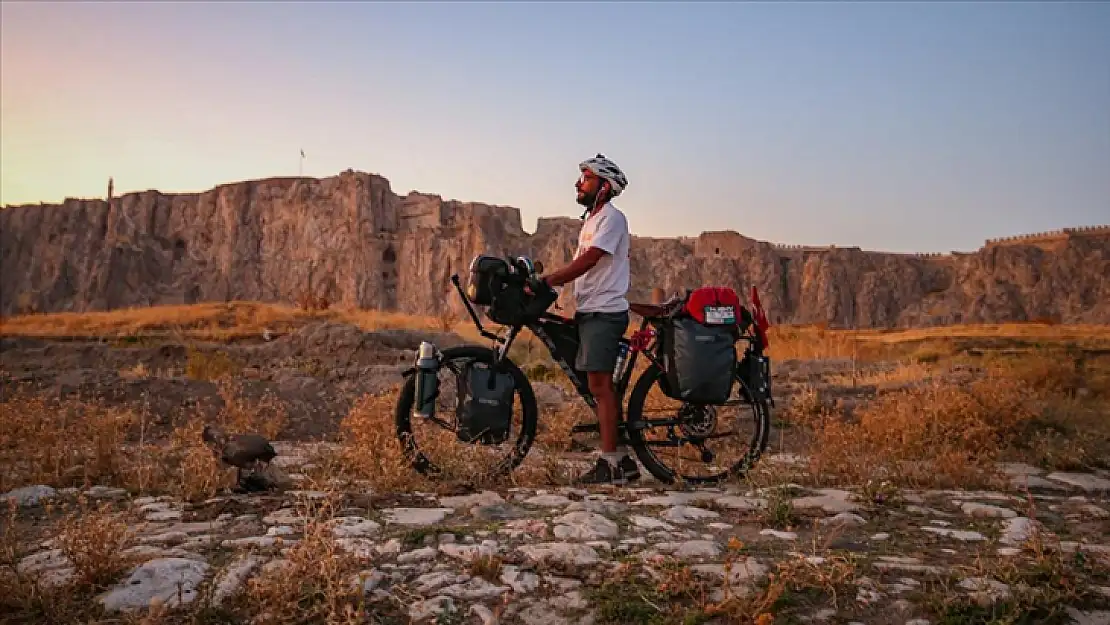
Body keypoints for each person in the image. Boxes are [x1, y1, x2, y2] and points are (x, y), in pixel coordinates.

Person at [528, 154, 640, 485]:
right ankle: (621, 458)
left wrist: (550, 281)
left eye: (586, 178)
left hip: (605, 312)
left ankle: (613, 464)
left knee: (600, 387)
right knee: (595, 383)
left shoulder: (612, 219)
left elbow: (591, 260)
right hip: (591, 310)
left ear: (604, 187)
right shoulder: (590, 222)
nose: (578, 183)